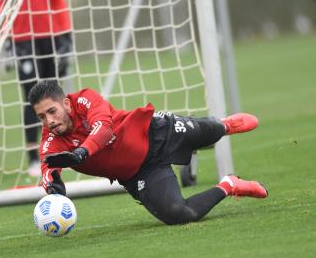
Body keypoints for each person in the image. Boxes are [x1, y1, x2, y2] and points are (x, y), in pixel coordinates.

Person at [28, 80, 268, 225]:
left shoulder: (84, 99)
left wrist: (81, 152)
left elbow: (104, 127)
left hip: (153, 131)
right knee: (179, 214)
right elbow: (47, 169)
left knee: (212, 130)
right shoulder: (51, 143)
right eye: (42, 117)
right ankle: (230, 184)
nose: (49, 121)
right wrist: (55, 189)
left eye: (52, 111)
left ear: (66, 104)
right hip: (142, 173)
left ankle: (224, 126)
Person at [0, 0, 72, 177]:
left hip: (51, 35)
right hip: (22, 38)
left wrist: (66, 34)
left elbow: (58, 1)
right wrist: (5, 38)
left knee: (54, 97)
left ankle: (61, 150)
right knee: (32, 98)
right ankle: (33, 158)